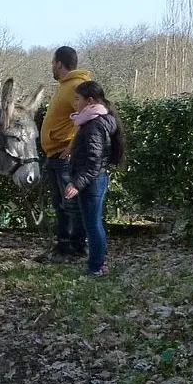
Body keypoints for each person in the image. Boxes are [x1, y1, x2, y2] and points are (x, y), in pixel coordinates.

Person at [35, 46, 93, 264]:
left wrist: (73, 146)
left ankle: (77, 248)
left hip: (63, 155)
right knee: (60, 203)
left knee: (70, 203)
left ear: (59, 63)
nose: (51, 65)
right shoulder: (64, 87)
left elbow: (88, 116)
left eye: (53, 62)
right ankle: (62, 247)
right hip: (54, 155)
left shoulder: (76, 86)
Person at [64, 80, 125, 277]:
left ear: (90, 101)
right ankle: (99, 264)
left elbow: (93, 160)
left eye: (78, 98)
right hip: (95, 180)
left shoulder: (94, 126)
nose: (76, 102)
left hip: (92, 182)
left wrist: (77, 184)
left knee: (93, 225)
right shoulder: (94, 122)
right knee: (94, 223)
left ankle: (96, 267)